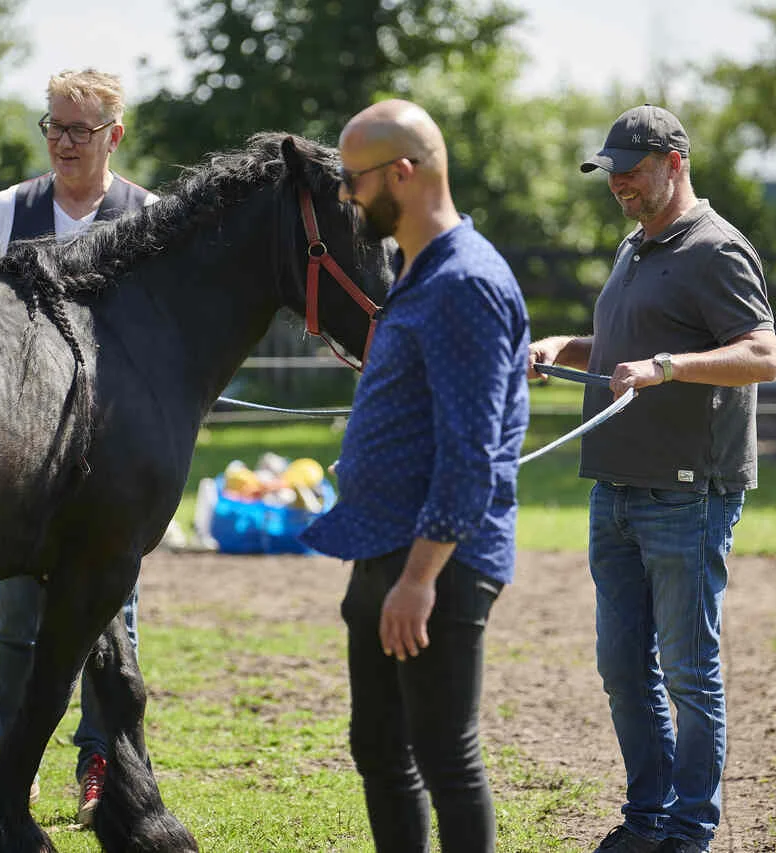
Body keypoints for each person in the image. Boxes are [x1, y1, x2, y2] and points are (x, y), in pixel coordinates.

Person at [529, 104, 776, 853]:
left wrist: (669, 368)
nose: (619, 184)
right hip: (614, 488)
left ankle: (690, 830)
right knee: (622, 668)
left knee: (688, 673)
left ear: (675, 163)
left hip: (687, 493)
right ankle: (648, 820)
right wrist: (560, 347)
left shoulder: (716, 249)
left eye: (631, 171)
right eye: (611, 173)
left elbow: (762, 354)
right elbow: (621, 347)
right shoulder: (634, 246)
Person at [300, 99, 529, 853]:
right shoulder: (416, 269)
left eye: (354, 179)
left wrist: (420, 578)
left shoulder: (465, 282)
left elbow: (471, 452)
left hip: (437, 563)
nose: (345, 196)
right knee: (379, 746)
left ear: (404, 171)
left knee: (443, 756)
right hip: (384, 542)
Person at [0, 67, 157, 827]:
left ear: (115, 134)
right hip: (25, 451)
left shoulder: (147, 216)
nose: (63, 141)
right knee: (17, 617)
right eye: (53, 125)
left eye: (80, 128)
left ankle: (100, 765)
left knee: (114, 622)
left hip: (111, 458)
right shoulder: (9, 208)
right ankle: (11, 761)